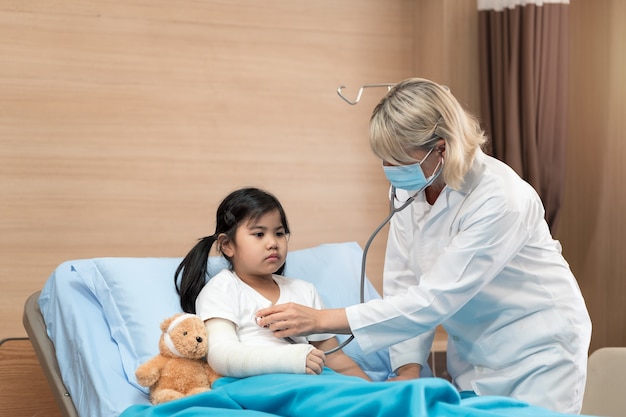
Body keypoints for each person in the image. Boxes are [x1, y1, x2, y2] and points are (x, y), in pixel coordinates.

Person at [257, 78, 592, 414]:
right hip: (476, 350)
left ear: (441, 149)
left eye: (398, 159)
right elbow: (405, 282)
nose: (389, 170)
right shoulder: (413, 189)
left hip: (540, 350)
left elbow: (434, 299)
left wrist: (320, 320)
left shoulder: (501, 198)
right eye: (383, 159)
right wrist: (408, 369)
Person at [175, 187, 370, 381]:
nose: (273, 243)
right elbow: (222, 357)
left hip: (310, 380)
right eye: (259, 234)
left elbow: (335, 358)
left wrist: (372, 390)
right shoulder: (222, 289)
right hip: (252, 381)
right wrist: (292, 359)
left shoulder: (303, 290)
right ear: (227, 245)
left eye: (279, 233)